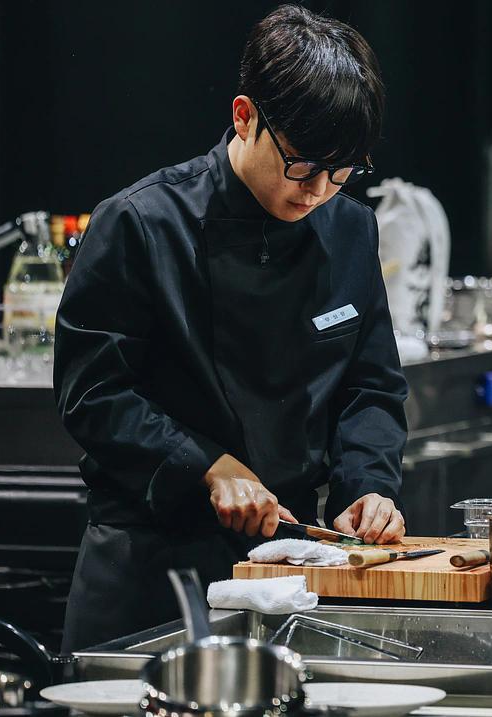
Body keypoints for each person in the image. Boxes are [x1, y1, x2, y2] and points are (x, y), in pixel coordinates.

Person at [54, 4, 407, 651]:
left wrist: (369, 486)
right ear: (245, 116)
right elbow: (94, 394)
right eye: (301, 165)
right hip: (151, 569)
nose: (318, 190)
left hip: (290, 565)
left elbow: (371, 386)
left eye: (342, 171)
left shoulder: (350, 228)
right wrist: (207, 466)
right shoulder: (140, 223)